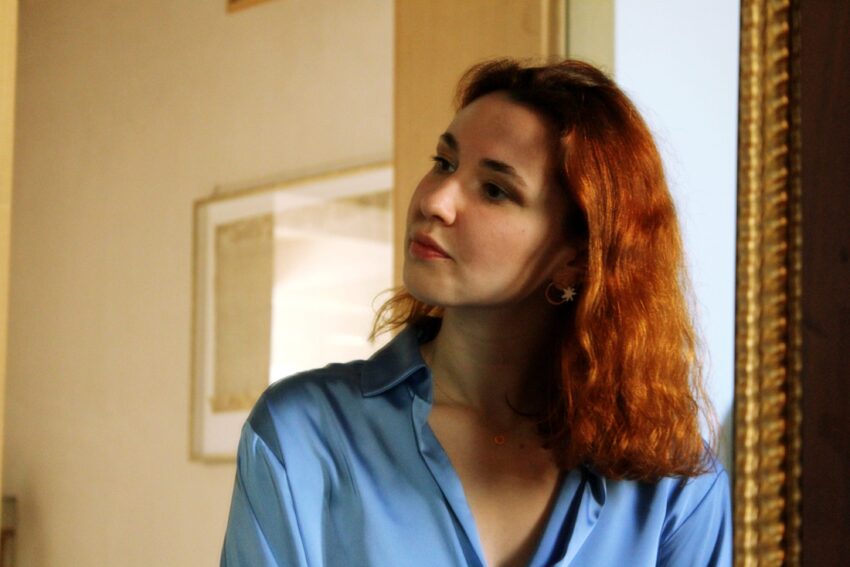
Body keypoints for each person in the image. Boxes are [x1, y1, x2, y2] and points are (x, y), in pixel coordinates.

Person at [220, 58, 731, 567]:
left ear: (576, 256)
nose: (436, 201)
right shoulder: (301, 435)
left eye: (494, 190)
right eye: (444, 163)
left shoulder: (675, 486)